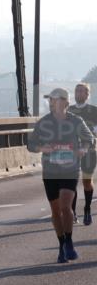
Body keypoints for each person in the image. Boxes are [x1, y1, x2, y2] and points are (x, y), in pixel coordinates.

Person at [27, 87, 96, 263]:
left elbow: (90, 139)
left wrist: (83, 148)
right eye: (50, 100)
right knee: (56, 211)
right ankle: (61, 244)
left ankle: (70, 242)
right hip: (50, 171)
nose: (51, 103)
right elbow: (31, 144)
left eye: (55, 99)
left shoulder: (76, 121)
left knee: (66, 207)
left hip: (70, 170)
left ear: (65, 102)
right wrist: (42, 148)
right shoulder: (43, 123)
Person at [68, 82, 97, 226]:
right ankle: (72, 213)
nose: (79, 93)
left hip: (90, 151)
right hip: (71, 151)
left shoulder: (94, 110)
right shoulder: (69, 110)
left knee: (86, 182)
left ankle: (87, 208)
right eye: (77, 91)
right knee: (71, 183)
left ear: (87, 94)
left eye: (82, 91)